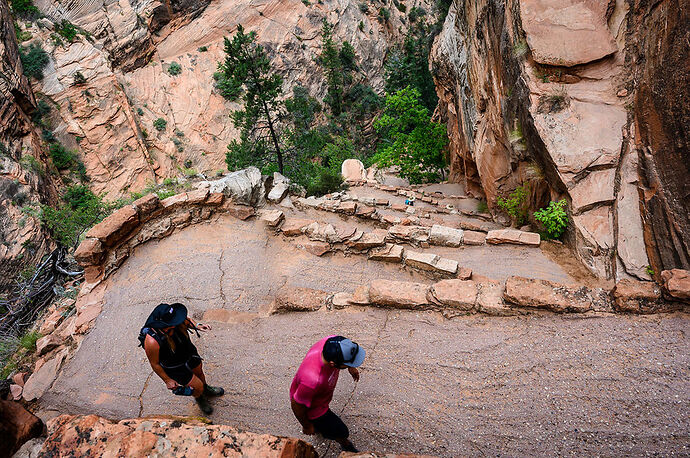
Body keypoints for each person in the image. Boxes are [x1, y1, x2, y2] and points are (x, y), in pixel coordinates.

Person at [140, 303, 224, 415]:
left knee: (200, 373)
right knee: (196, 387)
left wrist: (197, 325)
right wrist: (167, 380)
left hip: (189, 354)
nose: (176, 324)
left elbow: (187, 320)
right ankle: (200, 397)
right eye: (172, 324)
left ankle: (206, 389)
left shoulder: (175, 321)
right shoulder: (152, 341)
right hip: (175, 367)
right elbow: (155, 364)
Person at [290, 335, 365, 453]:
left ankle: (322, 430)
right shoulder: (312, 381)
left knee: (325, 428)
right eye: (348, 363)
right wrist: (306, 425)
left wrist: (350, 366)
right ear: (332, 364)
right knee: (342, 431)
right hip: (315, 409)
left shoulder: (331, 341)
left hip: (319, 396)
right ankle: (345, 444)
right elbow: (296, 404)